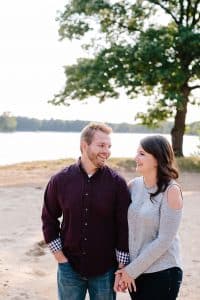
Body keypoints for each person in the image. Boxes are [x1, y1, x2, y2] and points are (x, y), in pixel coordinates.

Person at [41, 122, 131, 300]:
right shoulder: (60, 180)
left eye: (109, 146)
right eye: (101, 145)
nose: (107, 151)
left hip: (105, 270)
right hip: (69, 268)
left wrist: (122, 265)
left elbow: (124, 226)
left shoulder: (117, 184)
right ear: (84, 145)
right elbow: (49, 220)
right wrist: (61, 259)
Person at [114, 135, 183, 300]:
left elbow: (165, 240)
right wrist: (122, 269)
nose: (135, 157)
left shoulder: (171, 191)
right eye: (137, 152)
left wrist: (130, 271)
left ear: (157, 159)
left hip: (163, 272)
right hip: (136, 273)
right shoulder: (133, 186)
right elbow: (124, 230)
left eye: (142, 153)